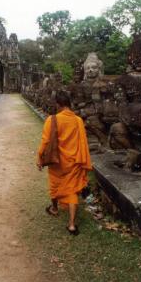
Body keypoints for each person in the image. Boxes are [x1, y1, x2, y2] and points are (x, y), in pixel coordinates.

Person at [37, 90, 92, 235]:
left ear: (58, 104)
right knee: (72, 190)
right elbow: (82, 142)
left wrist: (39, 157)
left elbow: (45, 141)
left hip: (57, 162)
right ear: (69, 103)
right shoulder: (78, 121)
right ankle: (72, 224)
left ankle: (54, 208)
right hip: (74, 161)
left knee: (55, 184)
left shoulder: (52, 119)